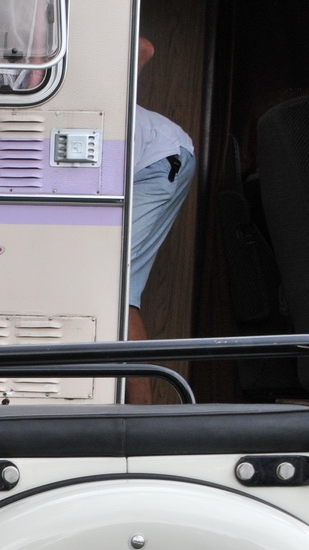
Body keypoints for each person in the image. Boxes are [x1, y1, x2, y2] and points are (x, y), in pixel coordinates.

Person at [127, 37, 195, 403]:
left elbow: (144, 47)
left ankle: (141, 420)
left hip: (158, 158)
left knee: (115, 287)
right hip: (137, 160)